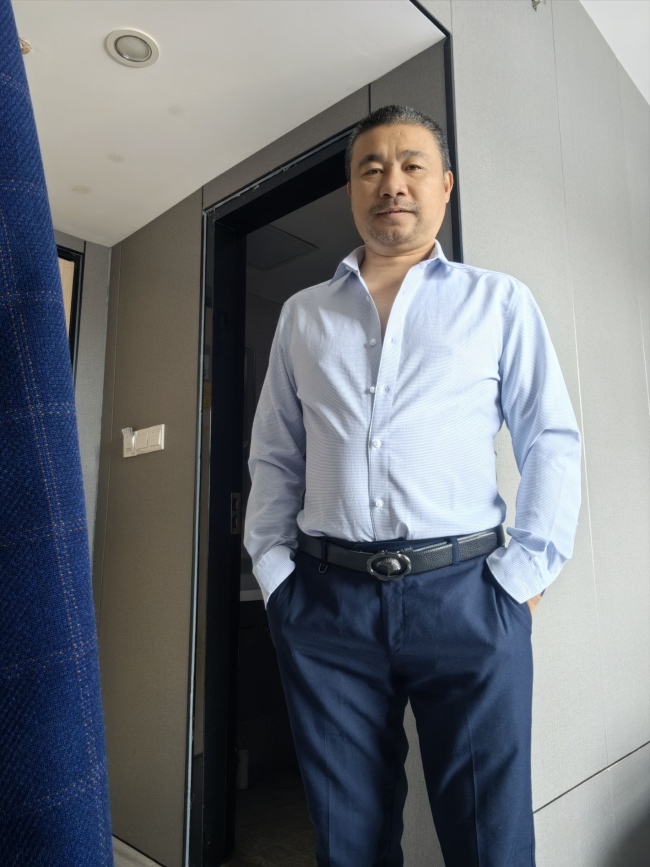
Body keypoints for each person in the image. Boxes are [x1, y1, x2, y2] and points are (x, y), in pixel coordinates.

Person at [244, 105, 581, 867]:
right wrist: (275, 574)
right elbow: (275, 454)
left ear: (445, 186)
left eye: (411, 165)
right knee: (348, 840)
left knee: (490, 839)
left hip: (470, 596)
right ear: (352, 191)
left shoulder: (499, 301)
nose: (390, 182)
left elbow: (551, 439)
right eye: (371, 168)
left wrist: (523, 576)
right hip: (324, 602)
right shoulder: (302, 316)